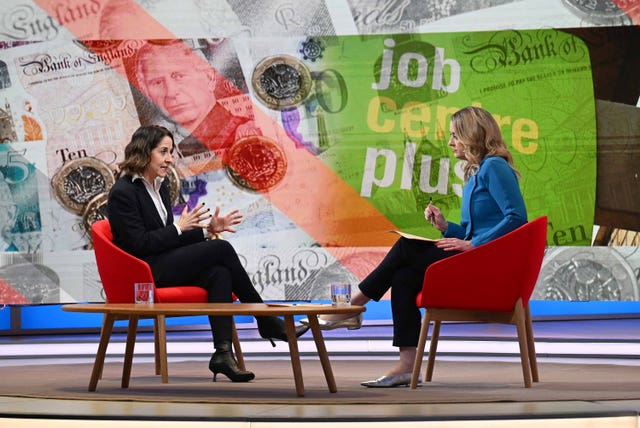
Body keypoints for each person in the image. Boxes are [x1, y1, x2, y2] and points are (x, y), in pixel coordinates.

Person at [302, 106, 528, 387]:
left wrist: (473, 244)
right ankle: (407, 366)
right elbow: (474, 230)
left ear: (472, 136)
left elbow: (517, 218)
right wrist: (447, 227)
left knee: (405, 247)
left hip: (486, 265)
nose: (450, 142)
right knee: (403, 277)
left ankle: (351, 306)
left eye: (455, 136)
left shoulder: (495, 166)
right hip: (473, 256)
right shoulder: (476, 173)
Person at [107, 125, 308, 382]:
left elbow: (168, 239)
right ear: (144, 152)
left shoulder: (160, 186)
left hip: (160, 261)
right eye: (163, 152)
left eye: (172, 152)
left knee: (219, 273)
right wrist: (179, 228)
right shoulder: (123, 192)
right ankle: (265, 318)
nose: (170, 159)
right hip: (143, 273)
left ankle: (223, 353)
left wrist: (206, 230)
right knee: (221, 248)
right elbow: (139, 244)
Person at [132, 40, 256, 159]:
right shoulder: (159, 153)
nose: (170, 92)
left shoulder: (249, 135)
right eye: (157, 82)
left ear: (209, 77)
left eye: (179, 76)